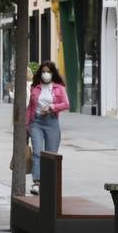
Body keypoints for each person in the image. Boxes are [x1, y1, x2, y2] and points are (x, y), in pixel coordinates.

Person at [25, 61, 70, 195]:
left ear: (52, 73)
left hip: (52, 122)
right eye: (44, 71)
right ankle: (37, 182)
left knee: (51, 154)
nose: (46, 74)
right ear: (40, 73)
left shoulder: (58, 88)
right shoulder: (35, 87)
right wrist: (26, 124)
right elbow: (30, 107)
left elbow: (66, 104)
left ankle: (50, 183)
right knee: (37, 152)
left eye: (48, 71)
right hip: (36, 122)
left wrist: (52, 107)